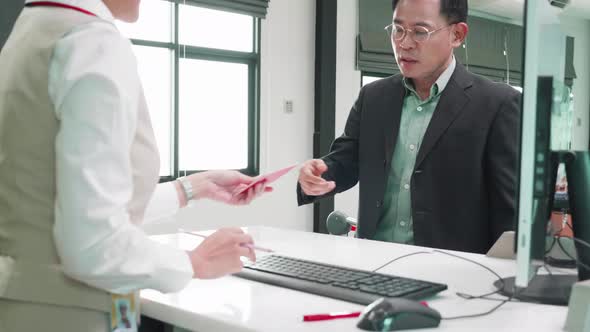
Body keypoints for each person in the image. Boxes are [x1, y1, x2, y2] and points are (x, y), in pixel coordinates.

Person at [0, 0, 270, 330]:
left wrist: (190, 189)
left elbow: (54, 195)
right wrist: (193, 262)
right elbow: (93, 244)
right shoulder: (93, 43)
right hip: (72, 314)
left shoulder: (31, 29)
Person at [297, 0, 520, 254]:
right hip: (374, 263)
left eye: (420, 32)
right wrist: (317, 174)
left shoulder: (497, 103)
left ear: (457, 34)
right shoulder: (373, 97)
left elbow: (508, 214)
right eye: (397, 29)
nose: (404, 43)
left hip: (452, 272)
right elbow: (345, 162)